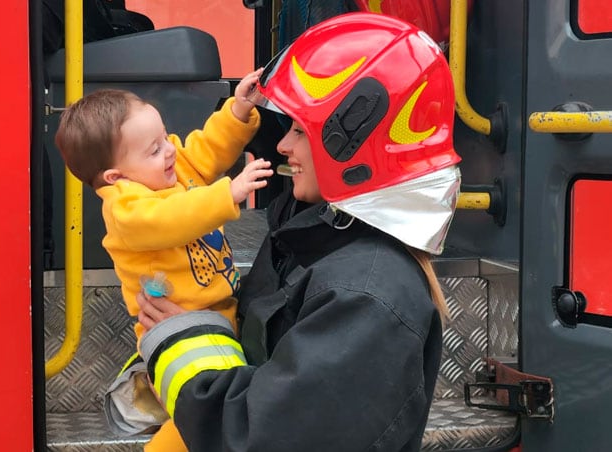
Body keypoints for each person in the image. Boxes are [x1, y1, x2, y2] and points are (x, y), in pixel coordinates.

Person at [135, 12, 461, 452]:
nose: (284, 147)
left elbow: (259, 438)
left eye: (298, 130)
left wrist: (179, 346)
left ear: (353, 140)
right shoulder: (312, 240)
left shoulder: (366, 298)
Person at [54, 69, 272, 452]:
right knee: (208, 416)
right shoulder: (127, 211)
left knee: (218, 408)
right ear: (117, 176)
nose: (170, 150)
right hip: (180, 332)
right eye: (153, 150)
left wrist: (237, 111)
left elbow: (205, 150)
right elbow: (172, 219)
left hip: (219, 317)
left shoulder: (172, 171)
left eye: (164, 137)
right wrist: (228, 194)